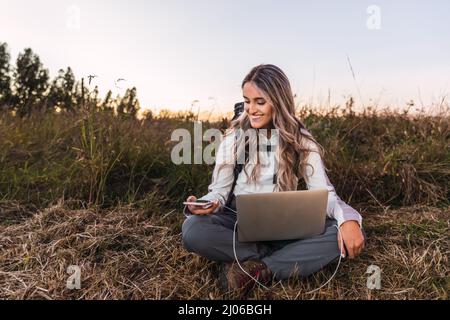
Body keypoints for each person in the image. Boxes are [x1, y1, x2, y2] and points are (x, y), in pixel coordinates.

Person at [181, 64, 365, 296]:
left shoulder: (302, 141)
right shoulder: (234, 137)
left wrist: (348, 220)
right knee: (192, 230)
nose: (251, 109)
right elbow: (219, 190)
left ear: (278, 101)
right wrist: (208, 203)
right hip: (237, 221)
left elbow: (325, 193)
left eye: (260, 101)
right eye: (247, 101)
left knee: (337, 234)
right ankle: (282, 259)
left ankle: (258, 268)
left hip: (285, 224)